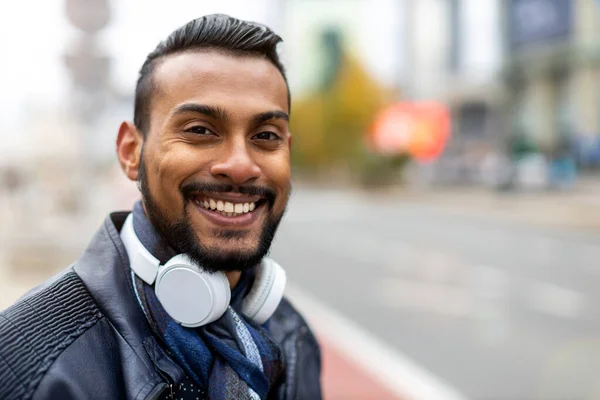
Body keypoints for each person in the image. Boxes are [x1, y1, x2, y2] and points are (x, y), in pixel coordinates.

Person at [0, 14, 322, 400]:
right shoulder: (26, 366)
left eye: (265, 136)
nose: (240, 164)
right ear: (131, 151)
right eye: (200, 130)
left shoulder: (293, 337)